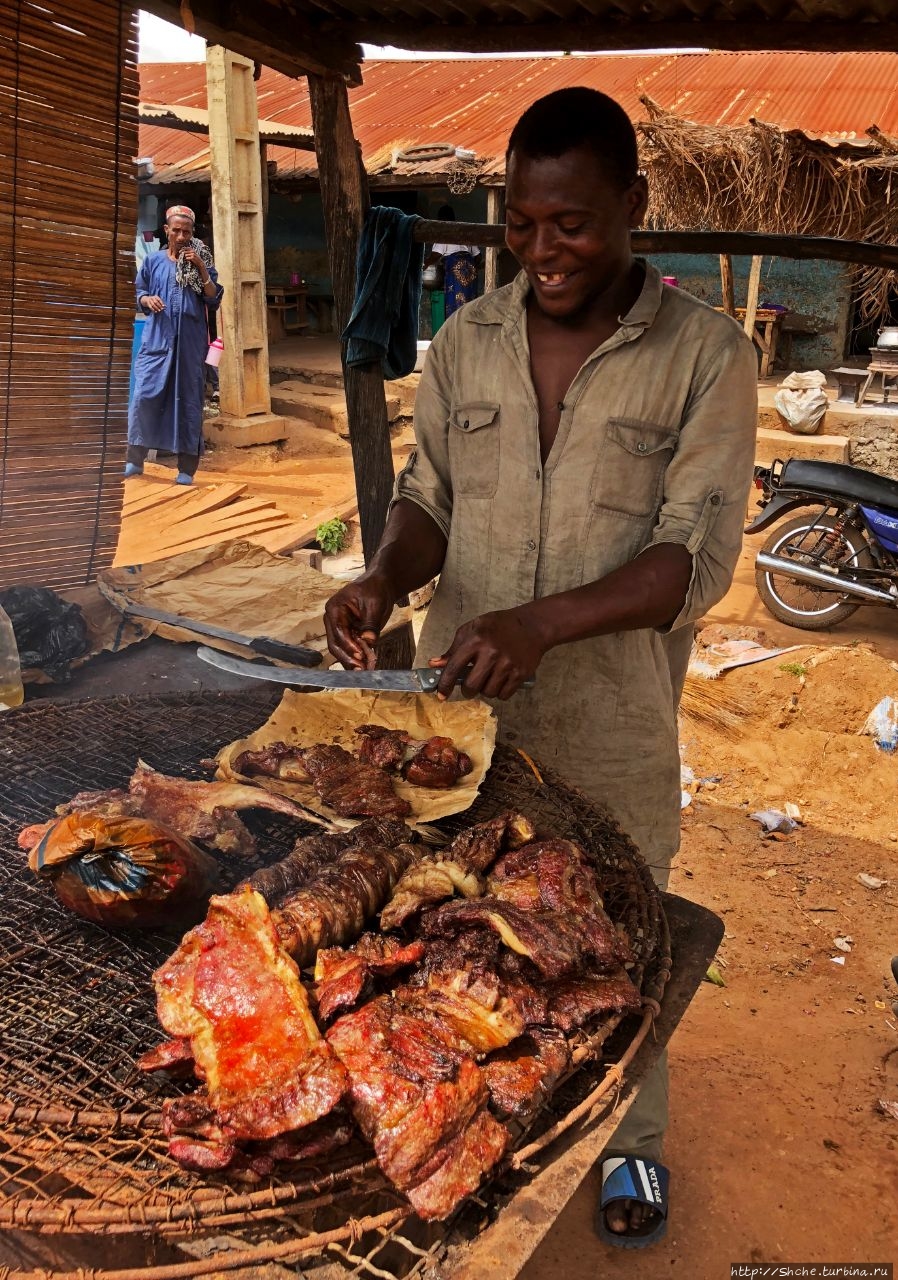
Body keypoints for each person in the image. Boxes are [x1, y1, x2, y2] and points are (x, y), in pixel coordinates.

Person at [324, 87, 758, 1247]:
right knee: (453, 946)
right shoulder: (466, 339)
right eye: (520, 224)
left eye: (569, 223)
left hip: (609, 733)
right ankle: (458, 1134)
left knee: (619, 947)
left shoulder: (707, 354)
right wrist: (380, 580)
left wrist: (537, 624)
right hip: (459, 732)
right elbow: (428, 501)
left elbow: (690, 560)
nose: (541, 251)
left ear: (634, 205)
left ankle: (634, 1147)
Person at [126, 204, 223, 485]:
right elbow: (139, 291)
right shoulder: (153, 262)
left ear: (192, 234)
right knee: (144, 398)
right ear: (167, 230)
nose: (181, 236)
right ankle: (135, 460)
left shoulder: (201, 261)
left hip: (189, 348)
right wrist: (146, 300)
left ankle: (186, 468)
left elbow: (213, 298)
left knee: (188, 403)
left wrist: (201, 268)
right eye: (176, 230)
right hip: (156, 344)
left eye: (187, 232)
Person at [424, 205, 482, 316]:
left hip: (455, 271)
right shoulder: (465, 232)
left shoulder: (444, 232)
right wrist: (469, 267)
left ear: (440, 219)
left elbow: (436, 254)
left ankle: (455, 330)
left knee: (455, 303)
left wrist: (425, 263)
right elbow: (478, 256)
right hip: (470, 270)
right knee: (470, 302)